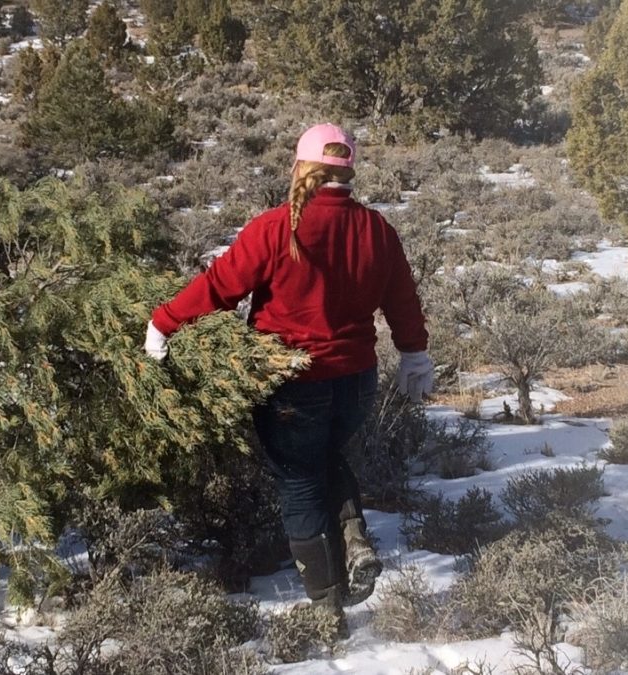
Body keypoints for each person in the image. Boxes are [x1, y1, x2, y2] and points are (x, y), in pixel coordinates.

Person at [144, 123, 433, 631]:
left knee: (299, 482)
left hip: (291, 383)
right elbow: (402, 302)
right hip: (357, 381)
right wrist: (414, 356)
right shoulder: (376, 228)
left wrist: (163, 321)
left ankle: (327, 608)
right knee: (325, 457)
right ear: (349, 171)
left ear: (300, 168)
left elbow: (220, 287)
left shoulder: (276, 227)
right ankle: (353, 537)